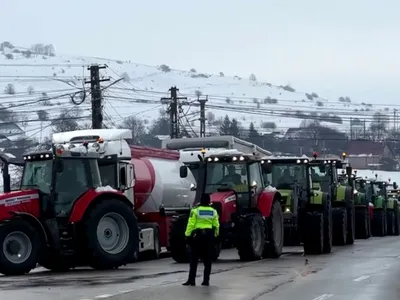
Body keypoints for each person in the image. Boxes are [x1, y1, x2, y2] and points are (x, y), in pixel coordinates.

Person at [182, 193, 220, 286]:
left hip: (198, 237)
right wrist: (215, 236)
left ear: (201, 200)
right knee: (207, 261)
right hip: (209, 237)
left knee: (194, 259)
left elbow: (191, 224)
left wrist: (187, 235)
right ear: (209, 201)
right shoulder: (213, 211)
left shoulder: (195, 210)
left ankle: (191, 280)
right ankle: (206, 281)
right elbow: (216, 225)